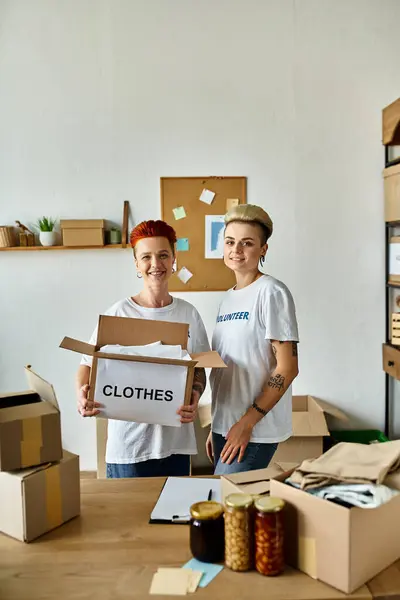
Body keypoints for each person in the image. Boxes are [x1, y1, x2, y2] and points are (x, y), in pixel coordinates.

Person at [76, 219, 210, 478]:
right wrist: (82, 396)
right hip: (129, 449)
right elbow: (86, 365)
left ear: (173, 258)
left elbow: (200, 368)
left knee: (174, 517)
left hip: (177, 446)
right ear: (137, 264)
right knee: (130, 518)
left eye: (163, 255)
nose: (155, 265)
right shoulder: (119, 313)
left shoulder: (188, 314)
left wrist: (195, 394)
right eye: (146, 257)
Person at [207, 204, 299, 475]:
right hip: (225, 425)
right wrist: (218, 425)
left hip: (254, 429)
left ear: (263, 250)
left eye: (247, 243)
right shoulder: (228, 298)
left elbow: (288, 367)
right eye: (230, 242)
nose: (236, 250)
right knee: (231, 506)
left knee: (226, 502)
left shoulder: (271, 292)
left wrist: (246, 424)